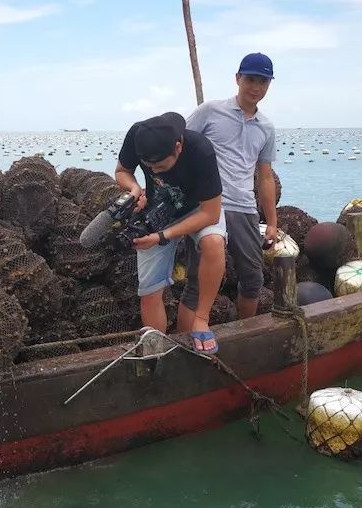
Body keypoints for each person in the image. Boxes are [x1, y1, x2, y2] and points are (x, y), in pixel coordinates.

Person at [115, 111, 225, 353]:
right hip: (157, 210)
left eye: (161, 166)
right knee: (150, 291)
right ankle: (158, 348)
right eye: (149, 166)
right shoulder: (137, 135)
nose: (155, 172)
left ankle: (201, 320)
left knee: (214, 243)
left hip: (198, 208)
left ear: (178, 147)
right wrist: (134, 188)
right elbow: (122, 171)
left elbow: (211, 214)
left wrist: (162, 237)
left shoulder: (201, 150)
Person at [186, 52, 278, 322]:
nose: (256, 87)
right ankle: (185, 342)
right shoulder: (210, 111)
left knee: (252, 280)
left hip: (245, 209)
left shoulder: (267, 127)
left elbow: (265, 177)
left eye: (263, 81)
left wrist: (271, 221)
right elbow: (181, 146)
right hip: (208, 207)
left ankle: (241, 333)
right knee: (196, 284)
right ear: (238, 78)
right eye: (250, 79)